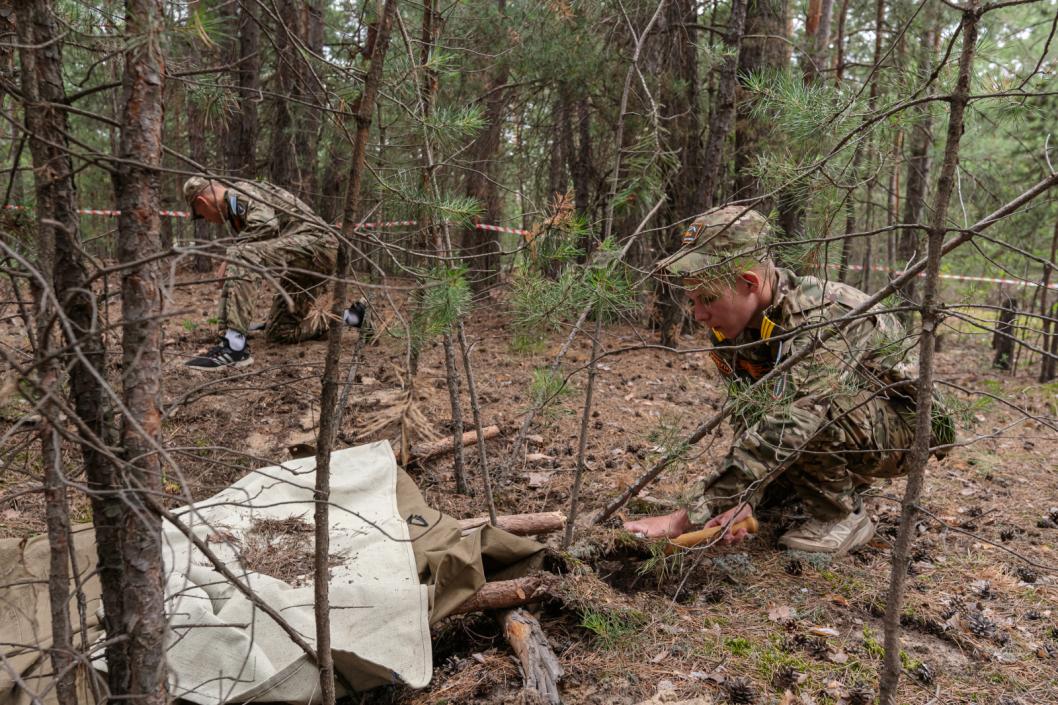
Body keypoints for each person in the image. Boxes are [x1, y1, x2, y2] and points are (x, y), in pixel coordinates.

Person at [624, 206, 952, 554]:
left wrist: (690, 514)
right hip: (851, 423)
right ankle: (809, 487)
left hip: (906, 429)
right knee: (776, 427)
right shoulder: (731, 329)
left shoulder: (825, 314)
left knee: (808, 410)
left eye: (707, 299)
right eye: (692, 301)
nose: (699, 315)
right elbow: (750, 412)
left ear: (750, 283)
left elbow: (798, 417)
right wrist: (742, 499)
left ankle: (841, 516)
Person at [181, 176, 366, 370]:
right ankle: (353, 316)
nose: (208, 220)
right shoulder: (236, 204)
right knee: (280, 332)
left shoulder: (237, 193)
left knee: (242, 254)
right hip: (308, 259)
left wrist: (230, 257)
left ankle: (234, 346)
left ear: (201, 202)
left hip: (317, 247)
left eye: (201, 215)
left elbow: (266, 225)